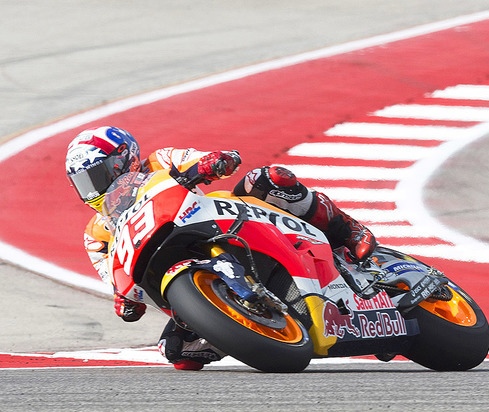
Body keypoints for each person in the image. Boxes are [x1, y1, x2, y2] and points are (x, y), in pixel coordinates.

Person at [65, 126, 377, 370]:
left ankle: (345, 228)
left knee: (268, 179)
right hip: (175, 264)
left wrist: (212, 162)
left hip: (221, 219)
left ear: (124, 159)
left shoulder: (159, 161)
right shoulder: (97, 233)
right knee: (177, 352)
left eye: (99, 175)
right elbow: (113, 273)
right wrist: (124, 297)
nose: (96, 188)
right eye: (85, 183)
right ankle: (250, 330)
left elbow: (207, 159)